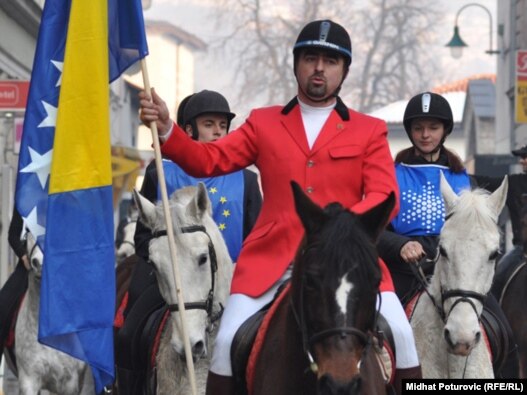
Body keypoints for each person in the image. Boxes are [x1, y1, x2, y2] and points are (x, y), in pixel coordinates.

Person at [139, 19, 421, 395]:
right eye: (311, 58)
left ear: (344, 71)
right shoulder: (264, 122)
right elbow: (208, 160)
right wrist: (167, 130)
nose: (319, 67)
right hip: (271, 262)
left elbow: (385, 195)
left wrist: (339, 232)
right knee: (224, 346)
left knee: (404, 337)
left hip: (347, 266)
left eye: (330, 61)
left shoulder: (369, 129)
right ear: (297, 65)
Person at [115, 90, 262, 394]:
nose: (219, 130)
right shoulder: (161, 168)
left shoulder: (246, 179)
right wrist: (163, 259)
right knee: (129, 331)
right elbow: (143, 235)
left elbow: (257, 235)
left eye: (223, 124)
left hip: (230, 283)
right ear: (190, 130)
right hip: (168, 277)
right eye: (210, 123)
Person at [377, 91, 519, 378]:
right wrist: (400, 244)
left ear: (445, 131)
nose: (425, 135)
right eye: (418, 128)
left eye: (433, 128)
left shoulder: (465, 178)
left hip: (459, 269)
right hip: (407, 266)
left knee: (504, 330)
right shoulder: (390, 174)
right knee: (380, 329)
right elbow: (374, 230)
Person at [0, 207, 29, 360]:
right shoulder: (25, 197)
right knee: (2, 305)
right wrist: (23, 255)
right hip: (27, 266)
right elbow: (12, 235)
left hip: (58, 269)